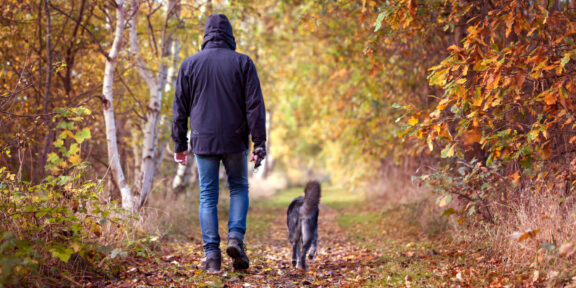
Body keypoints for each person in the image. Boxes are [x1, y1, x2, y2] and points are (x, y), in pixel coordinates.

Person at [171, 14, 266, 273]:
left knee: (208, 196)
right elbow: (254, 106)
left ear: (206, 34)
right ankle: (235, 237)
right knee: (238, 188)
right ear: (230, 34)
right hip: (235, 138)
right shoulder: (243, 63)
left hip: (203, 140)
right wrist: (259, 142)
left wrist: (180, 143)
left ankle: (212, 257)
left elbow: (179, 108)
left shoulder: (189, 64)